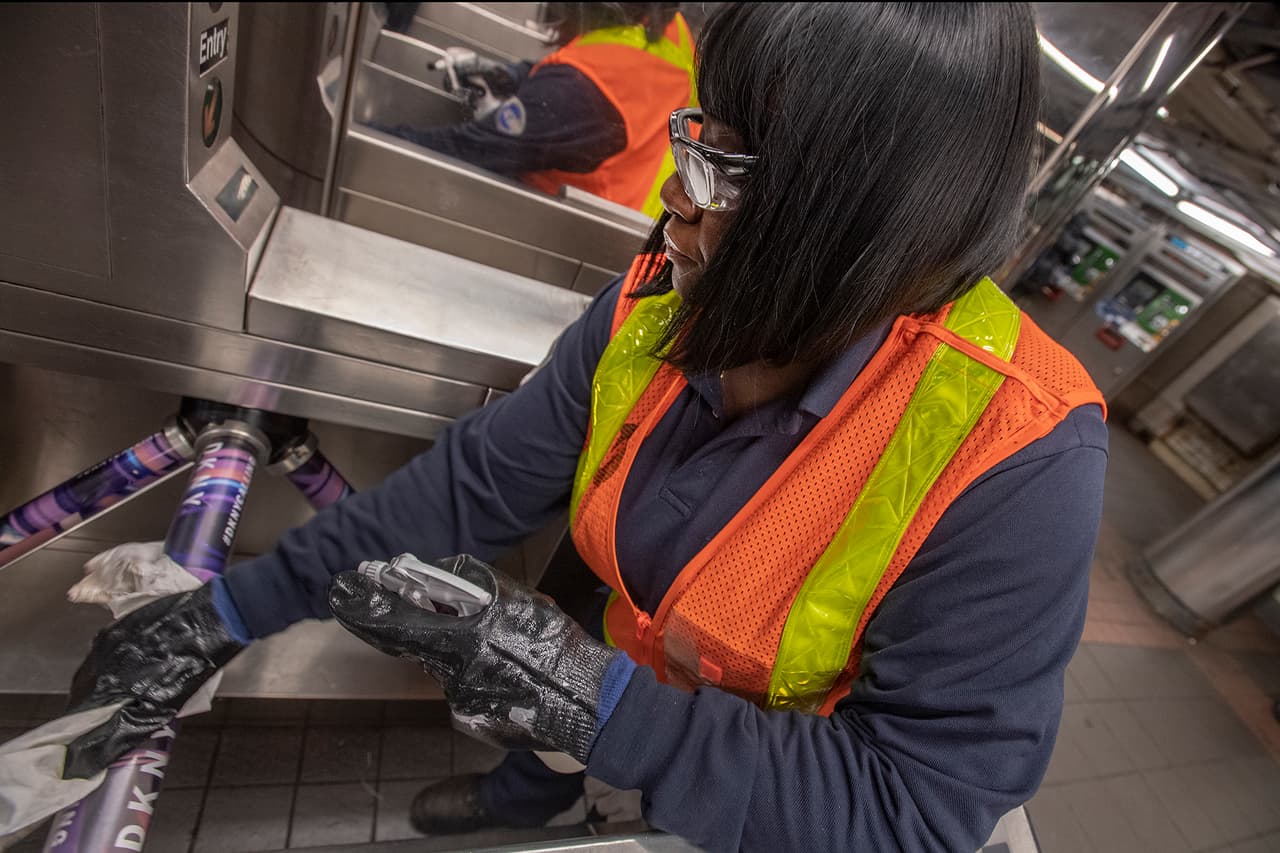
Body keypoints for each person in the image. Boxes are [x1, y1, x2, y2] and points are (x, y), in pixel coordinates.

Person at [60, 4, 1110, 851]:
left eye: (723, 174)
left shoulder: (1015, 453)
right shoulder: (665, 294)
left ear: (860, 223)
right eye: (695, 142)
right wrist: (225, 614)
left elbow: (909, 810)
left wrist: (589, 701)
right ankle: (530, 793)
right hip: (630, 658)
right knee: (564, 717)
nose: (672, 198)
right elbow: (475, 481)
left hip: (769, 798)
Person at [379, 2, 696, 218]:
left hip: (575, 241)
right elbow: (613, 68)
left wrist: (352, 132)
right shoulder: (668, 28)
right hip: (640, 224)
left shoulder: (577, 92)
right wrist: (512, 76)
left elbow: (463, 148)